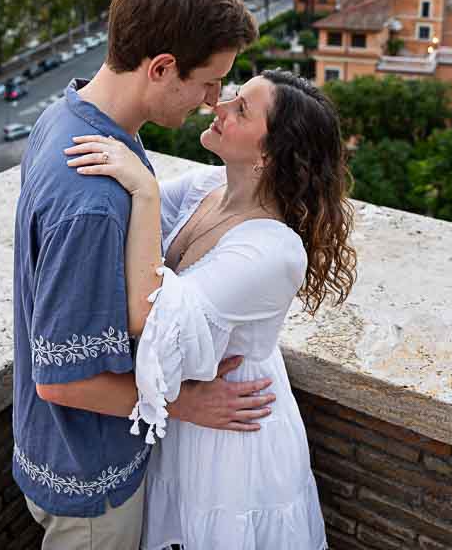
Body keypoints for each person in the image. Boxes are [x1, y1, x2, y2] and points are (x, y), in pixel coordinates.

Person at [11, 0, 264, 550]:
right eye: (208, 82)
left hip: (52, 449)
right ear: (161, 67)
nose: (211, 100)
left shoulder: (68, 117)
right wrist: (187, 403)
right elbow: (63, 382)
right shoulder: (93, 198)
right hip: (89, 479)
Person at [65, 68, 358, 549]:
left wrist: (146, 189)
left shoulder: (273, 250)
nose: (218, 105)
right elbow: (121, 237)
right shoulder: (208, 188)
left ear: (268, 154)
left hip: (233, 434)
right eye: (232, 95)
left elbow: (149, 315)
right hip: (188, 413)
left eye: (240, 109)